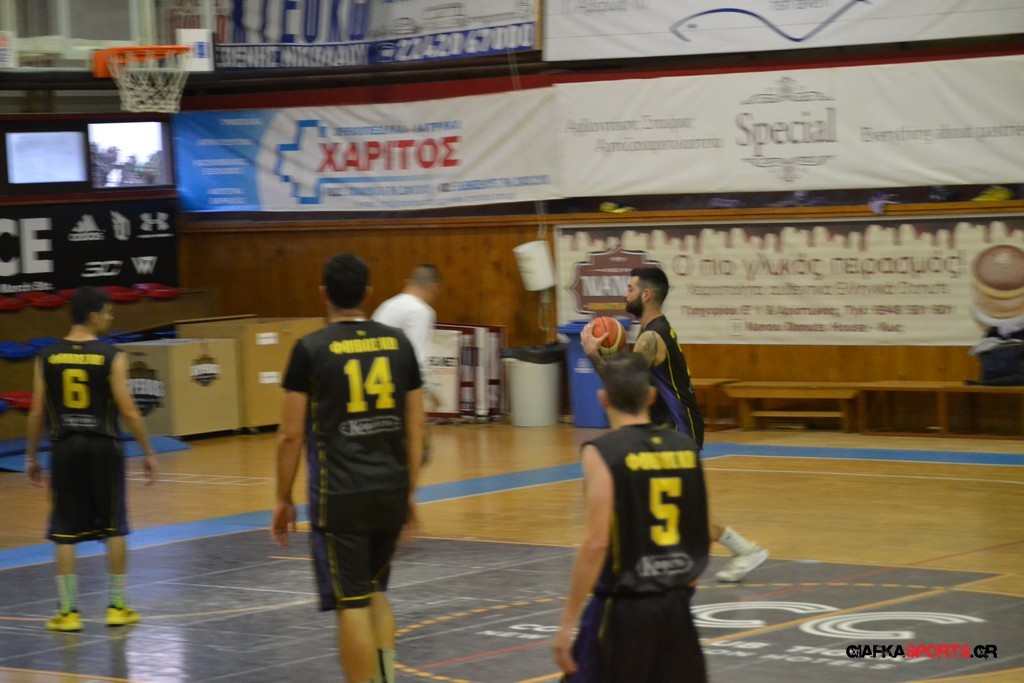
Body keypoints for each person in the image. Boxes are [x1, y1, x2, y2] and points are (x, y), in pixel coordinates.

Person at [272, 252, 425, 683]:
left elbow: (290, 435)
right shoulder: (399, 343)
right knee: (376, 591)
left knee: (352, 602)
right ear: (368, 293)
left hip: (340, 495)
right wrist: (410, 492)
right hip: (390, 489)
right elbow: (417, 427)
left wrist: (282, 498)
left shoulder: (310, 349)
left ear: (323, 294)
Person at [581, 266, 768, 583]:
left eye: (630, 288)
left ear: (646, 295)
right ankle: (740, 550)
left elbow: (626, 391)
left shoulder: (651, 337)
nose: (625, 294)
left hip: (677, 428)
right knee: (669, 504)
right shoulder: (655, 331)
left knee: (673, 506)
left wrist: (593, 355)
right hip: (670, 427)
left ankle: (744, 550)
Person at [553, 352, 710, 681]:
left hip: (624, 609)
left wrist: (568, 623)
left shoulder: (603, 452)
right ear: (651, 396)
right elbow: (701, 531)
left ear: (603, 399)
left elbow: (596, 543)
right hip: (676, 606)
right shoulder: (684, 448)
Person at [25, 286, 158, 632]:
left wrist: (31, 456)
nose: (111, 319)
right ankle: (117, 606)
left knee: (64, 530)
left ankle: (68, 612)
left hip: (65, 448)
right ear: (93, 316)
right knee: (114, 525)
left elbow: (37, 412)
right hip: (104, 448)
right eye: (108, 313)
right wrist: (148, 450)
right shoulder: (111, 355)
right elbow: (129, 410)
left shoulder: (46, 356)